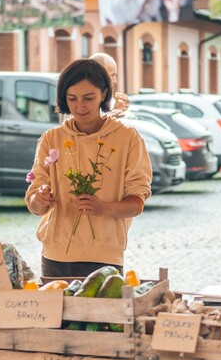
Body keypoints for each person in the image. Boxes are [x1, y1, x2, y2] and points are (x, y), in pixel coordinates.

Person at [25, 58, 152, 278]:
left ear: (104, 94)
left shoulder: (128, 138)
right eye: (72, 98)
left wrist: (106, 208)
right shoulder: (51, 139)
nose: (80, 106)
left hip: (105, 255)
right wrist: (40, 199)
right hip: (56, 255)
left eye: (88, 98)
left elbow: (137, 202)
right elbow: (34, 204)